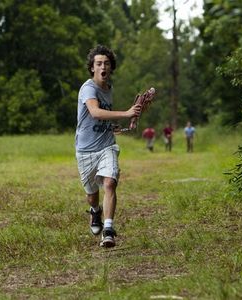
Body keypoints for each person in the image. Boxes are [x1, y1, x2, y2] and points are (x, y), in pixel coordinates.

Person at [75, 45, 141, 248]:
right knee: (91, 195)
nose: (103, 66)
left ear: (111, 67)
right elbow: (94, 112)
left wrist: (113, 126)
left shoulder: (109, 89)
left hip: (106, 146)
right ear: (92, 68)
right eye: (98, 63)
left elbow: (102, 118)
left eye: (106, 63)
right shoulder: (88, 88)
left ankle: (109, 230)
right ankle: (95, 211)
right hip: (85, 150)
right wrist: (126, 113)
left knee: (110, 183)